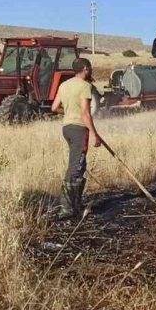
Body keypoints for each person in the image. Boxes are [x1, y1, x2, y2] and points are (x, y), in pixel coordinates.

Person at [50, 58, 102, 219]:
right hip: (79, 129)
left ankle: (76, 204)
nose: (91, 70)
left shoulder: (64, 85)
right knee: (76, 167)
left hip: (67, 128)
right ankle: (66, 208)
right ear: (85, 68)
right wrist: (95, 134)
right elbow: (85, 113)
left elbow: (54, 107)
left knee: (80, 164)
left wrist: (70, 112)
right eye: (90, 67)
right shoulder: (85, 86)